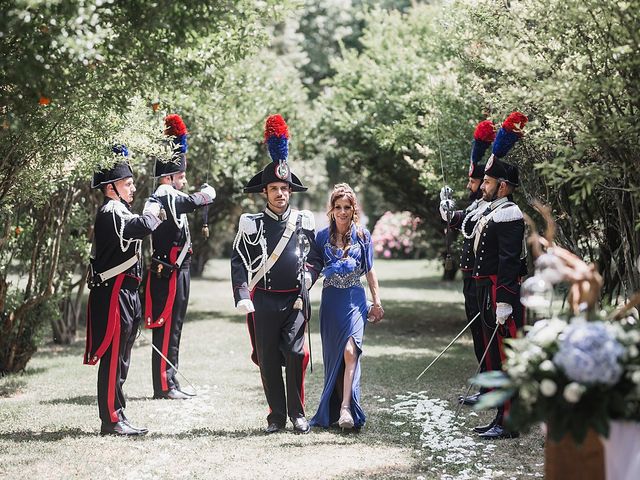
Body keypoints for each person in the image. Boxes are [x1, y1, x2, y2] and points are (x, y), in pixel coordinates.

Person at [231, 114, 323, 434]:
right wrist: (243, 295)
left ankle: (298, 414)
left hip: (295, 300)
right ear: (265, 192)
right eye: (274, 188)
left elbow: (315, 257)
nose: (280, 194)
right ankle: (276, 416)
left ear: (290, 191)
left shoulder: (303, 221)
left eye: (284, 188)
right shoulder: (251, 223)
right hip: (264, 301)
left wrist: (310, 275)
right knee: (269, 360)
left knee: (297, 355)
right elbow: (239, 260)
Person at [84, 145, 163, 436]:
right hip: (114, 293)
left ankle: (119, 413)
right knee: (114, 356)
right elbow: (140, 226)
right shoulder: (111, 211)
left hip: (127, 293)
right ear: (110, 187)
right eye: (127, 184)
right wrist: (153, 210)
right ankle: (111, 420)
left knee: (123, 358)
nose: (132, 188)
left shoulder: (120, 210)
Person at [144, 114, 216, 400]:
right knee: (166, 327)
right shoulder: (165, 192)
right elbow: (191, 201)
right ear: (168, 176)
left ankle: (170, 380)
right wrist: (205, 195)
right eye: (181, 175)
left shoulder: (168, 194)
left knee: (175, 327)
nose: (184, 179)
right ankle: (164, 385)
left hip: (178, 270)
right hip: (169, 273)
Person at [471, 112, 528, 439]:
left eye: (489, 183)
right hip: (488, 291)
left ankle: (509, 420)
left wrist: (505, 300)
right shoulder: (494, 211)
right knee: (495, 358)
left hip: (499, 291)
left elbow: (508, 261)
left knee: (505, 359)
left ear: (503, 186)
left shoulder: (509, 213)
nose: (484, 186)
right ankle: (500, 417)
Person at [310, 183, 383, 431]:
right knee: (335, 358)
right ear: (331, 209)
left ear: (354, 209)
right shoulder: (321, 237)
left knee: (351, 351)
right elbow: (311, 268)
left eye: (347, 207)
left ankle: (345, 408)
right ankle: (337, 408)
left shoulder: (363, 236)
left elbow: (370, 271)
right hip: (331, 301)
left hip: (354, 299)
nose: (342, 212)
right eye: (338, 207)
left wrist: (377, 301)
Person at [439, 119, 495, 406]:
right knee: (478, 334)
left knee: (487, 336)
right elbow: (462, 221)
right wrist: (449, 212)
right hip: (471, 279)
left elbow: (470, 225)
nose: (471, 185)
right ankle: (486, 387)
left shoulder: (492, 207)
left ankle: (491, 388)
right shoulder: (476, 205)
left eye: (475, 181)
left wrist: (455, 217)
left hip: (484, 280)